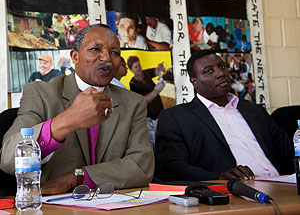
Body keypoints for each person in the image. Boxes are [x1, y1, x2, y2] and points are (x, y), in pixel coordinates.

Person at [0, 24, 154, 195]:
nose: (107, 58)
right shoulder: (41, 94)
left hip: (114, 204)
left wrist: (76, 177)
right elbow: (8, 160)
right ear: (75, 56)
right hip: (55, 207)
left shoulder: (133, 103)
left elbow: (141, 166)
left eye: (115, 53)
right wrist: (67, 121)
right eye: (95, 49)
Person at [155, 50, 294, 182]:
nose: (221, 73)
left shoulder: (255, 111)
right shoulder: (176, 118)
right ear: (194, 82)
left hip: (283, 185)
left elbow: (289, 151)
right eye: (209, 71)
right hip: (234, 194)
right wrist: (218, 178)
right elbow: (172, 168)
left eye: (222, 66)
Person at [127, 56, 165, 144]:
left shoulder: (145, 73)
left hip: (159, 109)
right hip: (149, 116)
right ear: (131, 70)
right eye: (136, 67)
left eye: (139, 65)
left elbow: (156, 71)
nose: (139, 68)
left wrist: (160, 68)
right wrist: (155, 92)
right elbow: (141, 101)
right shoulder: (133, 84)